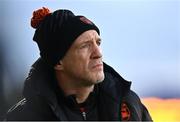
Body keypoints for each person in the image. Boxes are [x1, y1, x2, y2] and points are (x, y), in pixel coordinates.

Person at [4, 7, 152, 121]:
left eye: (98, 43)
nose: (98, 53)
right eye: (85, 46)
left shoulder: (129, 105)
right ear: (58, 62)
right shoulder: (22, 118)